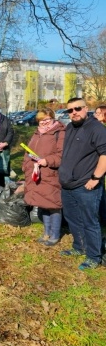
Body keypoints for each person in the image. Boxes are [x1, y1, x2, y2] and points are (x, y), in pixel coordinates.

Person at [59, 98, 106, 270]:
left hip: (86, 186)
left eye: (77, 108)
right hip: (67, 185)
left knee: (90, 221)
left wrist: (95, 178)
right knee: (73, 218)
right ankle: (79, 247)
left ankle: (94, 256)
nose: (74, 113)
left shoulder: (97, 129)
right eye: (70, 110)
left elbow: (105, 155)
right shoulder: (70, 127)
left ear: (86, 108)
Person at [22, 109, 65, 246]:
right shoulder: (36, 133)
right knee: (43, 204)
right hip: (37, 174)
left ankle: (55, 235)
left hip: (50, 174)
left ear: (53, 118)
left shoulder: (60, 133)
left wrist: (47, 161)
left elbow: (61, 155)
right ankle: (46, 232)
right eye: (41, 120)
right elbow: (28, 152)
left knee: (54, 205)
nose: (44, 122)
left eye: (47, 119)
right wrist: (25, 166)